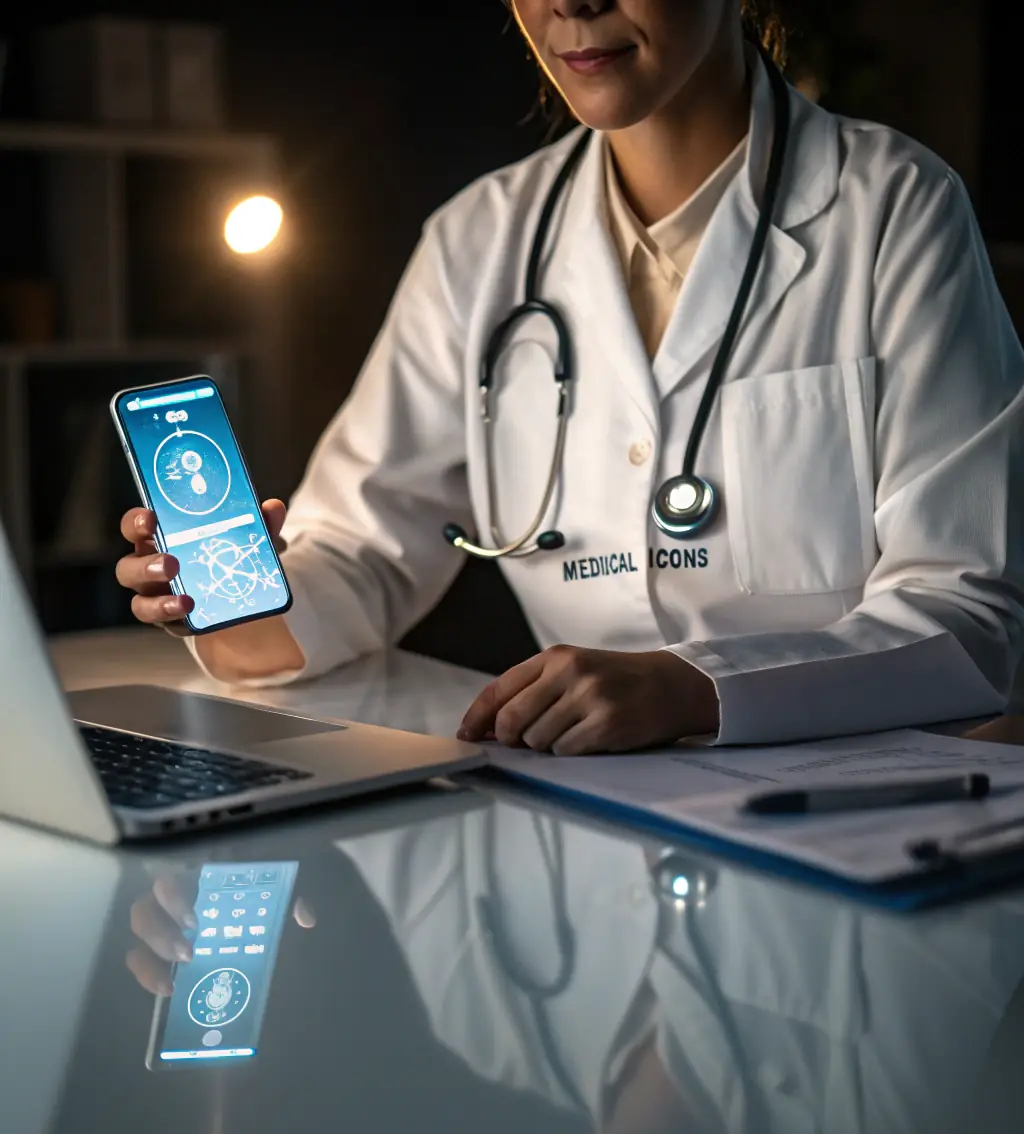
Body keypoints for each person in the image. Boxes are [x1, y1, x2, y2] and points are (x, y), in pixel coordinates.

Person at [116, 0, 1024, 754]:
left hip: (852, 817)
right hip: (582, 830)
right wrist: (232, 607)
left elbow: (968, 614)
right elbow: (362, 551)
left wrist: (693, 688)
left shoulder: (893, 209)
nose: (573, 4)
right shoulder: (479, 241)